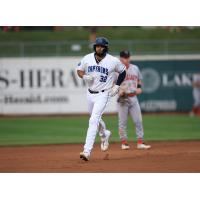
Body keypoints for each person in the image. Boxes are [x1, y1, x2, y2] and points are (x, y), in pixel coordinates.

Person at [76, 37, 126, 161]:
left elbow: (123, 72)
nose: (99, 48)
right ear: (95, 47)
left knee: (93, 120)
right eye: (97, 46)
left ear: (106, 47)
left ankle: (87, 151)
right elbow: (79, 70)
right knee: (95, 119)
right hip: (90, 94)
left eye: (102, 46)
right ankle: (105, 134)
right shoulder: (87, 58)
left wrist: (117, 86)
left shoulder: (112, 61)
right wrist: (84, 76)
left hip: (104, 94)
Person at [117, 50, 151, 150]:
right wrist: (119, 91)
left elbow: (139, 79)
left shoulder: (135, 68)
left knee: (138, 121)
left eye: (128, 57)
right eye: (124, 57)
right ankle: (124, 143)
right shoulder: (117, 70)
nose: (127, 59)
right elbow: (113, 84)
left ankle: (140, 142)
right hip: (123, 98)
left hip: (134, 97)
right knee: (122, 122)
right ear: (120, 58)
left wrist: (139, 87)